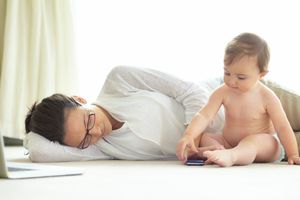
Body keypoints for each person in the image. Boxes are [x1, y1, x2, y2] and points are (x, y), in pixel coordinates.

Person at [25, 65, 225, 161]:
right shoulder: (100, 148)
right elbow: (38, 150)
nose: (95, 133)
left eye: (88, 121)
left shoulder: (119, 80)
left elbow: (191, 92)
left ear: (80, 99)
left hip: (227, 96)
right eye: (85, 139)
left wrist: (193, 139)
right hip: (230, 140)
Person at [176, 33, 300, 167]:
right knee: (206, 137)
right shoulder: (222, 92)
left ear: (261, 74)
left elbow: (282, 126)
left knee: (254, 141)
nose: (231, 81)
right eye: (227, 73)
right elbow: (204, 115)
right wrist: (189, 134)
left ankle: (233, 156)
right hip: (229, 143)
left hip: (264, 146)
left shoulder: (267, 97)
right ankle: (217, 151)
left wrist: (293, 154)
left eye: (241, 77)